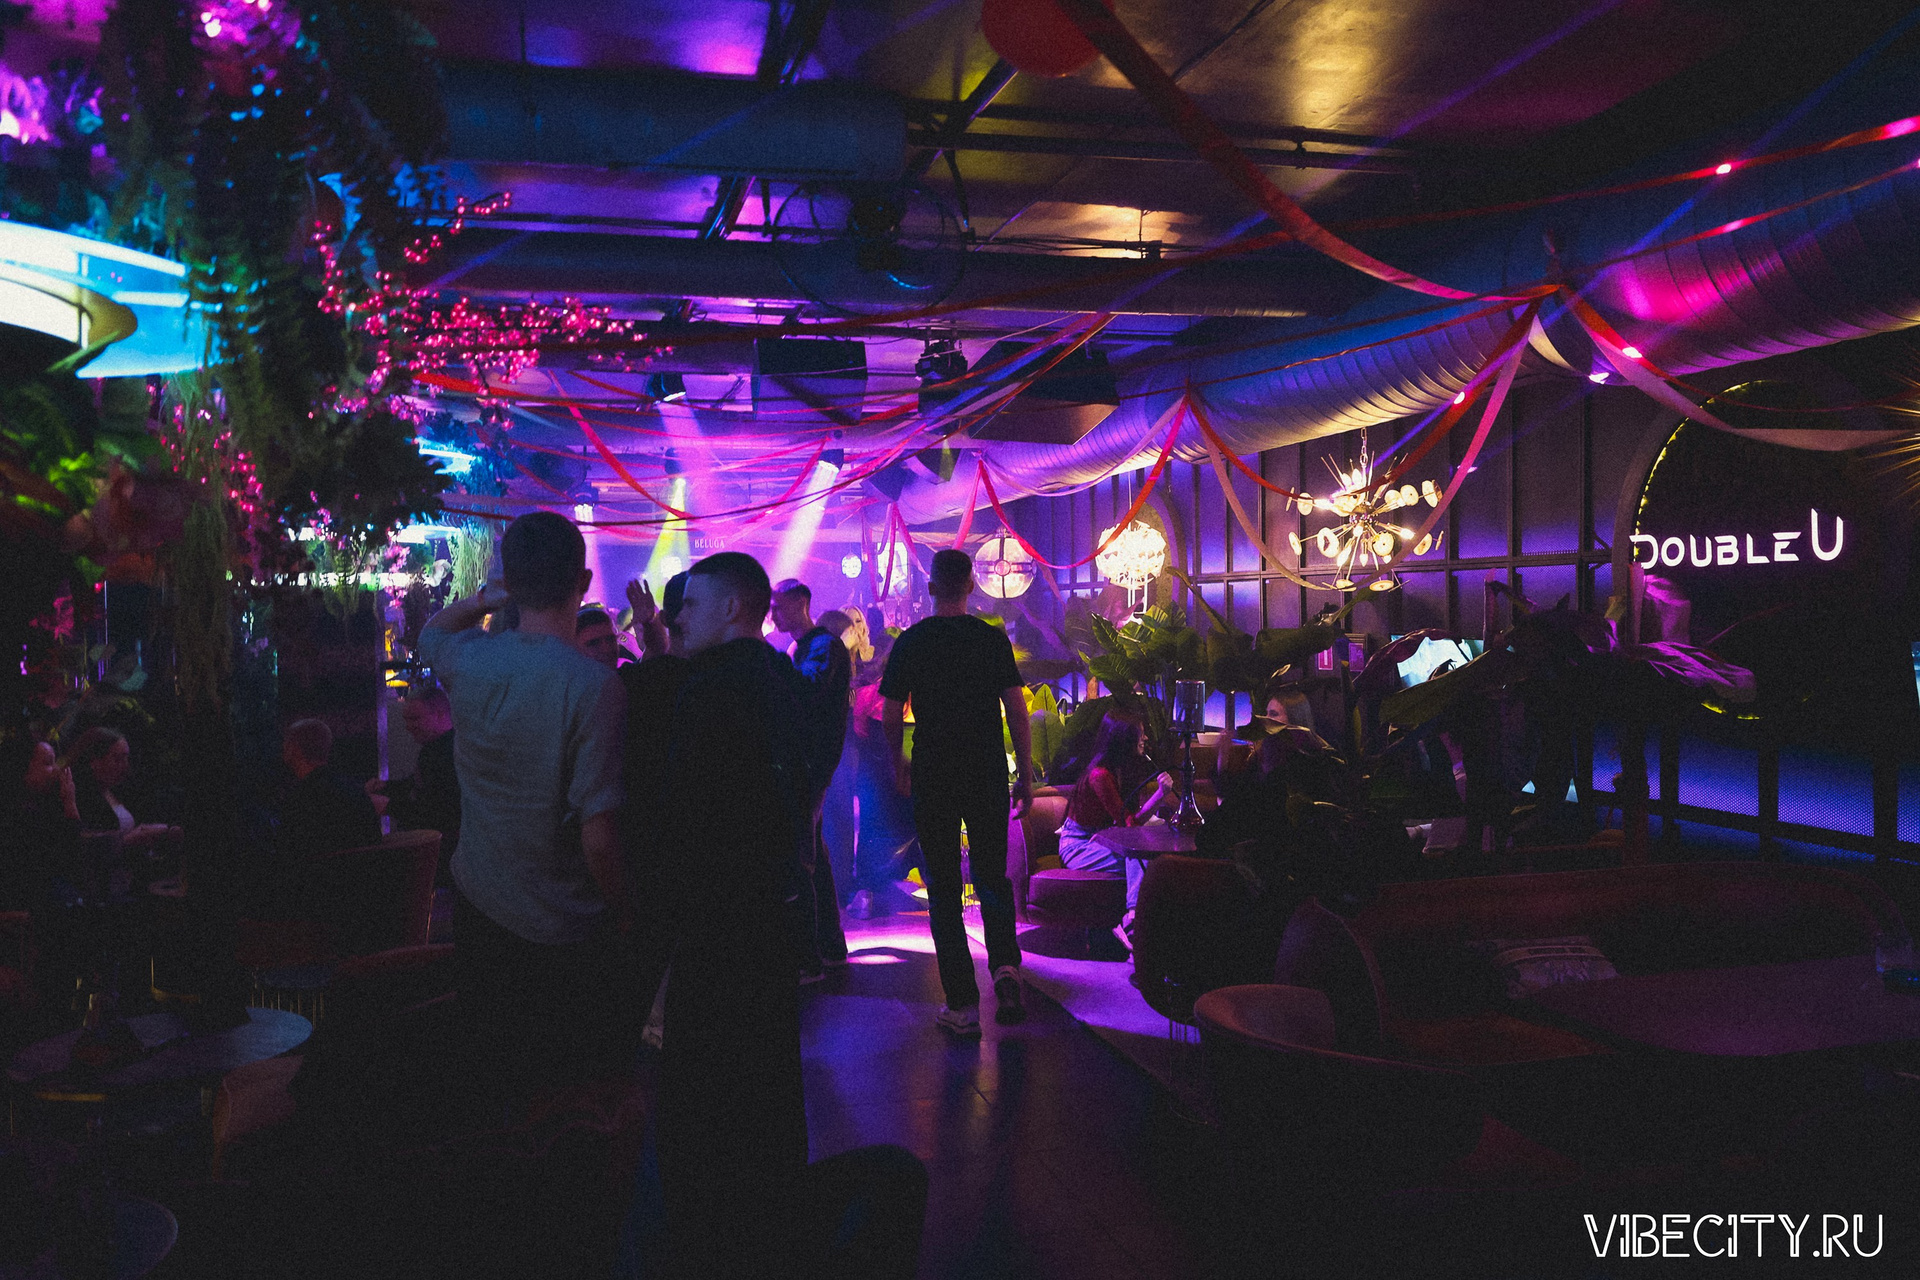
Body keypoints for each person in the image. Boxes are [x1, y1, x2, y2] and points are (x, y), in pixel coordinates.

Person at [418, 510, 630, 1108]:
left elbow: (431, 633)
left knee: (495, 1089)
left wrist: (486, 598)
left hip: (479, 903)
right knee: (566, 1096)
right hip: (561, 923)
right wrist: (628, 910)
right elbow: (599, 836)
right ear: (582, 582)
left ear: (509, 582)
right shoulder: (594, 686)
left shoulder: (470, 659)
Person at [642, 551, 815, 1277]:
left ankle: (712, 1243)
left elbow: (683, 815)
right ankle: (775, 1231)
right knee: (770, 1074)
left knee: (706, 1087)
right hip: (772, 907)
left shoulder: (707, 689)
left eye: (691, 604)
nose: (679, 616)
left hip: (716, 915)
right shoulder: (785, 679)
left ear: (734, 608)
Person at [880, 549, 1032, 1032]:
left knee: (944, 886)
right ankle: (1005, 971)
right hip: (985, 770)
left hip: (934, 772)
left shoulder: (912, 641)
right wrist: (1026, 774)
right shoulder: (991, 639)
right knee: (992, 878)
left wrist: (898, 763)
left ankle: (963, 1005)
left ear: (931, 588)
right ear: (970, 586)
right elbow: (1017, 710)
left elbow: (890, 713)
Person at [771, 578, 851, 981]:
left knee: (803, 858)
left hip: (811, 767)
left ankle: (810, 958)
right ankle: (829, 948)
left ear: (802, 602)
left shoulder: (822, 647)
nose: (773, 614)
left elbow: (808, 692)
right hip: (808, 766)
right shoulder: (805, 647)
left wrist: (772, 662)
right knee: (813, 856)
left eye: (779, 606)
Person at [1055, 715, 1176, 933]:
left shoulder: (1119, 770)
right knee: (1140, 857)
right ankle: (1133, 920)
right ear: (1125, 739)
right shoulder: (1100, 775)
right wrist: (1160, 794)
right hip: (1078, 846)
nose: (1145, 738)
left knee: (1152, 860)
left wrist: (1106, 836)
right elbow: (1130, 826)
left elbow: (1125, 824)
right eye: (1140, 734)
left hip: (1098, 840)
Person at [70, 727, 178, 896]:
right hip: (100, 891)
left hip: (124, 886)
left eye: (126, 758)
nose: (125, 766)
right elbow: (84, 851)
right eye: (118, 759)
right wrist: (129, 840)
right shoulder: (80, 797)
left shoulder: (118, 791)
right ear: (94, 761)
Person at [368, 685, 461, 873]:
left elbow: (439, 814)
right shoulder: (438, 748)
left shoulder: (447, 755)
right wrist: (385, 787)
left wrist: (388, 806)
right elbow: (418, 786)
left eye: (415, 719)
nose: (408, 727)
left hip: (445, 855)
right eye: (406, 720)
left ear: (440, 714)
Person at [275, 719, 382, 861]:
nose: (282, 748)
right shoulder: (353, 790)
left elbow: (291, 853)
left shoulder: (300, 799)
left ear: (294, 749)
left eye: (285, 743)